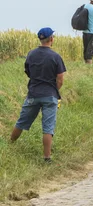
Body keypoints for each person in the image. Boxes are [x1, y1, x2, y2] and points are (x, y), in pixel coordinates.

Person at [10, 28, 67, 162]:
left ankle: (9, 145)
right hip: (50, 95)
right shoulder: (55, 57)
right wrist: (54, 89)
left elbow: (28, 71)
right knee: (48, 128)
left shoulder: (31, 54)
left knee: (21, 122)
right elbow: (60, 78)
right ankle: (47, 158)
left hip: (33, 94)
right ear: (51, 39)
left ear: (40, 39)